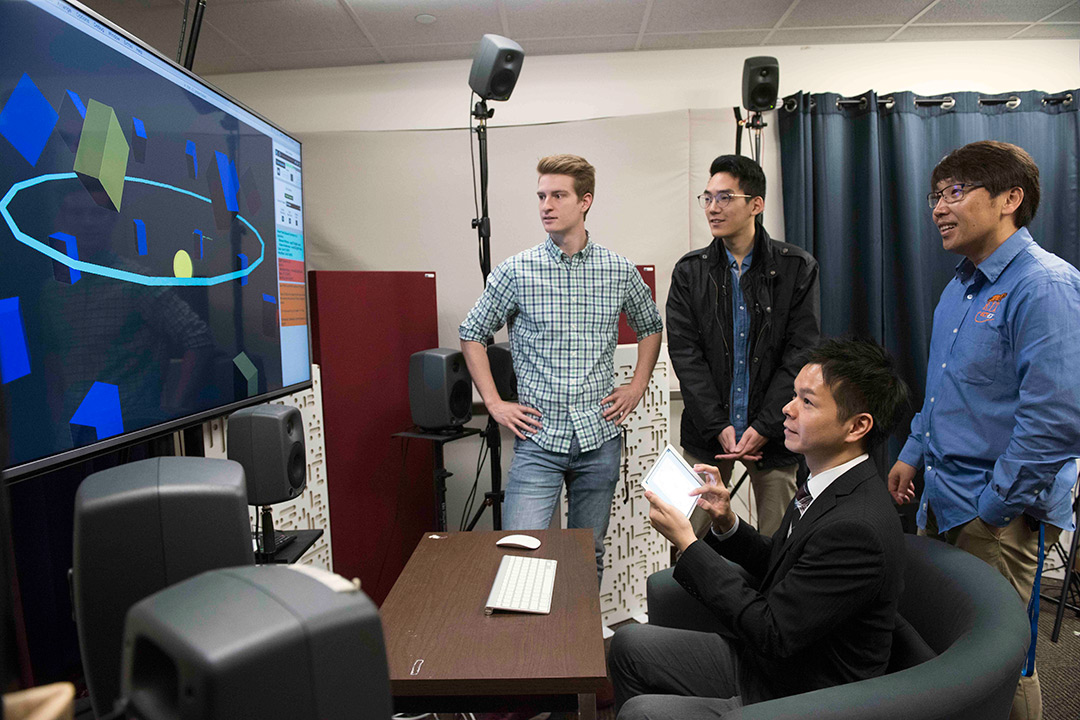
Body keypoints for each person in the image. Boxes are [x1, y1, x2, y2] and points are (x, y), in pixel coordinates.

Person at [609, 338, 909, 717]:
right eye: (794, 396)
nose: (787, 409)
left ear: (857, 426)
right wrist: (727, 522)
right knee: (629, 644)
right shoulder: (828, 482)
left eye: (807, 402)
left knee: (642, 713)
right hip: (770, 667)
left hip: (800, 696)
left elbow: (772, 631)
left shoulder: (857, 527)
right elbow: (786, 565)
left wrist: (689, 543)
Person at [889, 140, 1080, 720]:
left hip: (995, 514)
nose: (938, 209)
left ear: (1009, 199)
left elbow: (1055, 421)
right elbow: (945, 387)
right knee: (947, 657)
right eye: (933, 196)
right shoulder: (960, 286)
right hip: (940, 501)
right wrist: (911, 452)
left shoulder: (1044, 286)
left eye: (954, 193)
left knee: (998, 665)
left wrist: (995, 507)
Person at [459, 154, 663, 582]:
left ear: (585, 201)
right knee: (521, 556)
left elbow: (650, 327)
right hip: (538, 438)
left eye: (558, 195)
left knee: (589, 554)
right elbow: (472, 333)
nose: (546, 205)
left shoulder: (618, 270)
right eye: (541, 196)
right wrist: (494, 403)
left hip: (598, 438)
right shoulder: (517, 271)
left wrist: (636, 387)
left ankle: (578, 646)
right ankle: (530, 648)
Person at [667, 154, 819, 536]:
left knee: (776, 542)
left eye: (724, 198)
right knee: (688, 538)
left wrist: (765, 426)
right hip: (707, 433)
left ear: (756, 204)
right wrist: (719, 424)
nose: (713, 208)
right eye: (708, 198)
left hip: (775, 430)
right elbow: (686, 356)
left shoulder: (796, 267)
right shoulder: (691, 272)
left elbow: (800, 353)